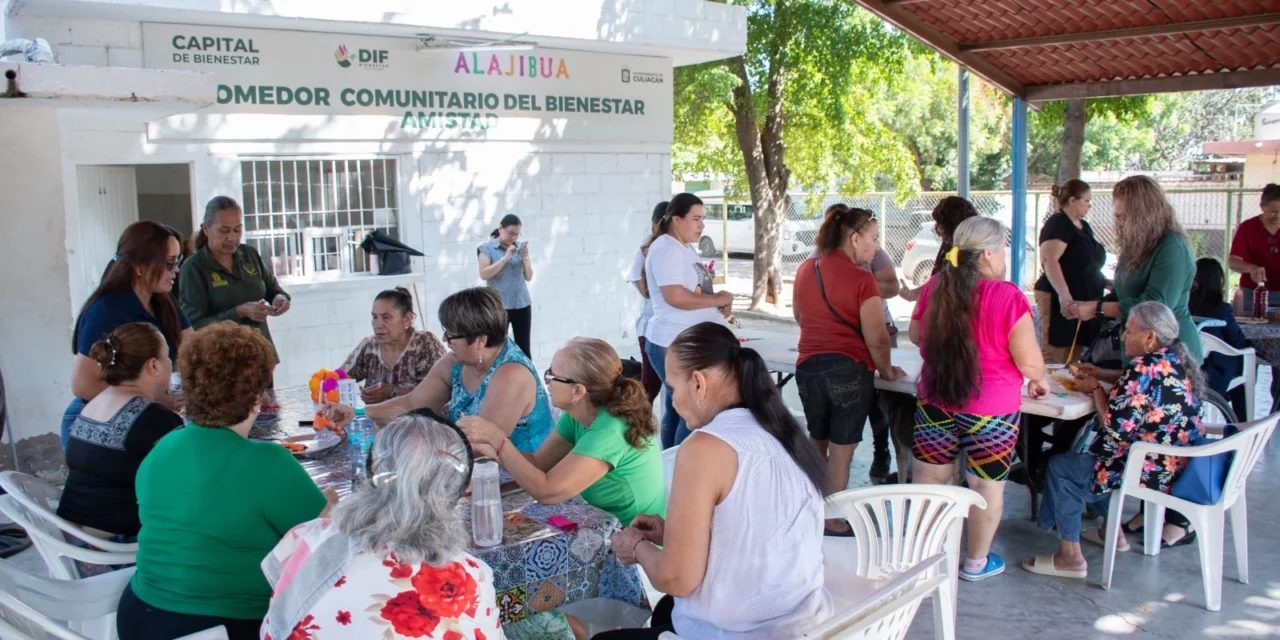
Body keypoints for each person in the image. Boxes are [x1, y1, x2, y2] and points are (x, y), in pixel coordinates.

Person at [597, 323, 832, 640]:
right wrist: (673, 534)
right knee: (666, 611)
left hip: (749, 632)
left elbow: (677, 578)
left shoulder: (705, 447)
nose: (674, 401)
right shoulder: (782, 430)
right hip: (807, 624)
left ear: (698, 384)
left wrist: (636, 547)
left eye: (673, 388)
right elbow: (757, 536)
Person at [118, 322, 331, 640]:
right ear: (257, 395)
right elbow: (323, 539)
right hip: (219, 625)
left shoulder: (162, 448)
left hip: (138, 617)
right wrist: (331, 505)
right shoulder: (267, 462)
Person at [260, 412, 503, 640]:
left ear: (371, 473)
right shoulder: (471, 577)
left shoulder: (306, 539)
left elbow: (273, 627)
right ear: (456, 492)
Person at [909, 215, 1049, 581]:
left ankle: (922, 557)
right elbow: (1031, 364)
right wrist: (1038, 378)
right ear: (988, 254)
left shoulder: (937, 285)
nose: (1004, 256)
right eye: (1002, 248)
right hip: (992, 412)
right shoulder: (1007, 297)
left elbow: (914, 334)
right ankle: (975, 562)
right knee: (985, 486)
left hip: (936, 400)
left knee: (929, 477)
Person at [1022, 302, 1203, 579]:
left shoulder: (1142, 368)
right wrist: (1099, 373)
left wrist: (1094, 388)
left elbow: (1113, 428)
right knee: (1088, 458)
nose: (1122, 337)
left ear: (1150, 337)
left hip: (1145, 468)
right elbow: (1132, 383)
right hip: (1172, 463)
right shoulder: (1175, 360)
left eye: (1129, 331)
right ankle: (1113, 533)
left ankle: (1070, 557)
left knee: (1062, 466)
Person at [460, 337, 666, 526]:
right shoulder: (578, 414)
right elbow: (538, 463)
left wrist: (497, 439)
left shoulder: (610, 430)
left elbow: (547, 491)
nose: (547, 381)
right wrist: (489, 448)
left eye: (552, 375)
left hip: (638, 543)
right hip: (604, 528)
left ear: (578, 391)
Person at [792, 206, 905, 535]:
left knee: (817, 442)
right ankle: (830, 517)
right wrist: (885, 370)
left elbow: (801, 317)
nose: (875, 247)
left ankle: (811, 510)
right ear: (854, 239)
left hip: (808, 369)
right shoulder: (862, 278)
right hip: (848, 372)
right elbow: (877, 336)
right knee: (842, 451)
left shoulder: (805, 269)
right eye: (872, 239)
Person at [331, 287, 553, 454]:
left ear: (479, 340)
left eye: (451, 334)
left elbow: (482, 447)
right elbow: (410, 404)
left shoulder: (511, 374)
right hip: (471, 471)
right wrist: (358, 414)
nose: (445, 339)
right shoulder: (456, 362)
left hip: (521, 484)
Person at [63, 220, 191, 449]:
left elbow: (194, 349)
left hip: (146, 418)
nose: (176, 270)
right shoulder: (105, 311)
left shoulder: (163, 300)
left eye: (178, 262)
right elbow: (83, 385)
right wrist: (150, 398)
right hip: (96, 425)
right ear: (140, 266)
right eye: (170, 263)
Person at [58, 323, 184, 541]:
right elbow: (191, 479)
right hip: (117, 548)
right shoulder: (155, 419)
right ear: (154, 365)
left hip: (71, 540)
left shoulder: (91, 405)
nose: (170, 364)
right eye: (167, 357)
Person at [1073, 176, 1202, 361]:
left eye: (1126, 217)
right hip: (1139, 349)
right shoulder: (1138, 246)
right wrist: (1086, 307)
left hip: (1170, 354)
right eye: (1118, 217)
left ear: (1146, 214)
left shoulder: (1172, 247)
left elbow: (1156, 306)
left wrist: (1098, 308)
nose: (1121, 224)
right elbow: (1122, 295)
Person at [644, 193, 734, 449]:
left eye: (703, 219)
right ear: (676, 219)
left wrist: (715, 302)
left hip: (683, 341)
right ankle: (682, 468)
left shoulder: (683, 248)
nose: (702, 225)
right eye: (695, 219)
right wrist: (715, 299)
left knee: (678, 409)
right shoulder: (665, 248)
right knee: (692, 410)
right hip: (671, 342)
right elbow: (674, 296)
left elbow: (693, 293)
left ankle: (672, 466)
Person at [178, 195, 291, 364]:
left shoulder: (249, 255)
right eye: (224, 231)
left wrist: (280, 299)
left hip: (260, 357)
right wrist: (239, 312)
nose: (232, 237)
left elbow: (273, 288)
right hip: (222, 364)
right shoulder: (194, 268)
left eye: (237, 230)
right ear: (206, 229)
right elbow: (194, 325)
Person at [1034, 179, 1107, 364]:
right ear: (1073, 200)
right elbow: (1049, 260)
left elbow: (1086, 263)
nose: (1089, 206)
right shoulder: (1058, 223)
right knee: (1057, 351)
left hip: (1085, 297)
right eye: (1086, 201)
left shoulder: (1084, 226)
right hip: (1060, 295)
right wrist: (1064, 295)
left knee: (1075, 352)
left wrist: (1104, 282)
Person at [340, 286, 446, 405]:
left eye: (386, 317)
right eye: (375, 317)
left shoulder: (424, 344)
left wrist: (392, 392)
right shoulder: (369, 346)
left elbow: (440, 394)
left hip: (423, 422)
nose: (377, 325)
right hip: (377, 421)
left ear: (407, 319)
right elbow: (338, 379)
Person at [1189, 257, 1250, 420]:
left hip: (1186, 370)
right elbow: (1238, 340)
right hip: (1213, 375)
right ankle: (1239, 423)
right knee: (1244, 360)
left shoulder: (1184, 307)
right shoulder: (1222, 308)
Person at [626, 201, 669, 404]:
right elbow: (644, 291)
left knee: (674, 391)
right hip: (651, 328)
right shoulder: (644, 252)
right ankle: (637, 430)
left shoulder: (682, 250)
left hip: (674, 329)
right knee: (650, 386)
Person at [900, 196, 979, 302]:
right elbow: (938, 280)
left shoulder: (973, 250)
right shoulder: (948, 243)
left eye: (941, 223)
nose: (937, 228)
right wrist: (913, 294)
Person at [477, 213, 534, 358]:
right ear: (500, 228)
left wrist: (525, 258)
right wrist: (505, 258)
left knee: (524, 348)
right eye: (511, 233)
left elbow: (529, 276)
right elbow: (484, 274)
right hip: (500, 307)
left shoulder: (518, 247)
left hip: (522, 303)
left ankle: (527, 379)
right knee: (497, 347)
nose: (514, 238)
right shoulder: (486, 248)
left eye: (517, 234)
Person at [1228, 183, 1280, 315]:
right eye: (1273, 212)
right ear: (1262, 207)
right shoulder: (1248, 227)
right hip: (1252, 292)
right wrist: (1251, 268)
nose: (1278, 216)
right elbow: (1232, 261)